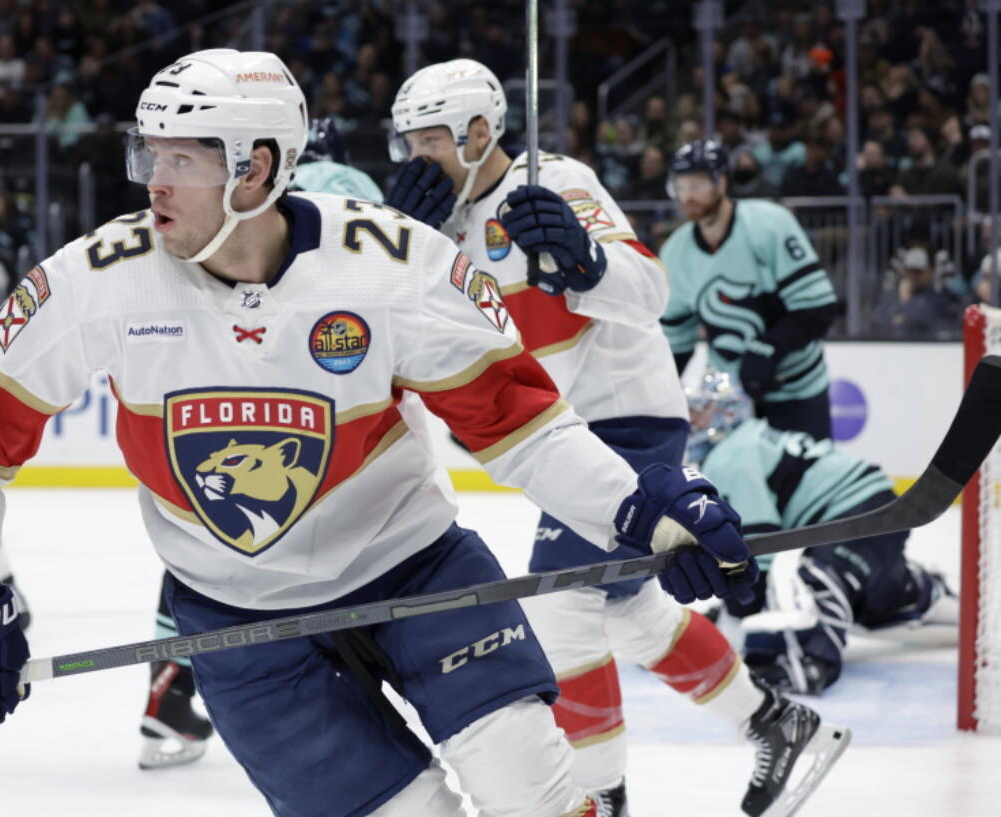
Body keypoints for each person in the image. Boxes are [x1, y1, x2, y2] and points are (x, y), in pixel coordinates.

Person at [0, 49, 760, 817]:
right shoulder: (96, 281)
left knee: (532, 793)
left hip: (418, 573)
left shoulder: (396, 265)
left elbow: (521, 427)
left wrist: (644, 512)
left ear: (257, 168)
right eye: (150, 156)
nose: (153, 182)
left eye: (182, 160)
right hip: (240, 618)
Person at [384, 59, 847, 817]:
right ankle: (778, 722)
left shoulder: (557, 182)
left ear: (478, 131)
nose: (415, 159)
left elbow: (649, 295)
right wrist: (407, 246)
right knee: (624, 609)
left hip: (621, 422)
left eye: (429, 139)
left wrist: (584, 260)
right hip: (558, 437)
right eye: (406, 143)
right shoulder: (442, 228)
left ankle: (602, 796)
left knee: (562, 606)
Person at [137, 115, 385, 772]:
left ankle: (171, 701)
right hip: (331, 395)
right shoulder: (352, 189)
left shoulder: (232, 200)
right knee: (352, 543)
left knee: (203, 548)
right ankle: (353, 692)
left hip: (225, 383)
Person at [687, 370, 958, 694]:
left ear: (724, 413)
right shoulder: (747, 438)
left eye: (699, 411)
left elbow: (759, 541)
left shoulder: (730, 456)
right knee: (864, 594)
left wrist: (743, 608)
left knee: (822, 575)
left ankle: (815, 662)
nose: (692, 420)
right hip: (869, 501)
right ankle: (916, 590)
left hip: (857, 508)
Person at [661, 139, 839, 440]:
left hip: (796, 384)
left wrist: (766, 349)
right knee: (726, 481)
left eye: (696, 185)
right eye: (680, 186)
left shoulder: (769, 224)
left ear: (722, 182)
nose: (686, 196)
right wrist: (659, 395)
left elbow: (818, 307)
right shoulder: (675, 252)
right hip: (726, 392)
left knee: (807, 483)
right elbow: (676, 338)